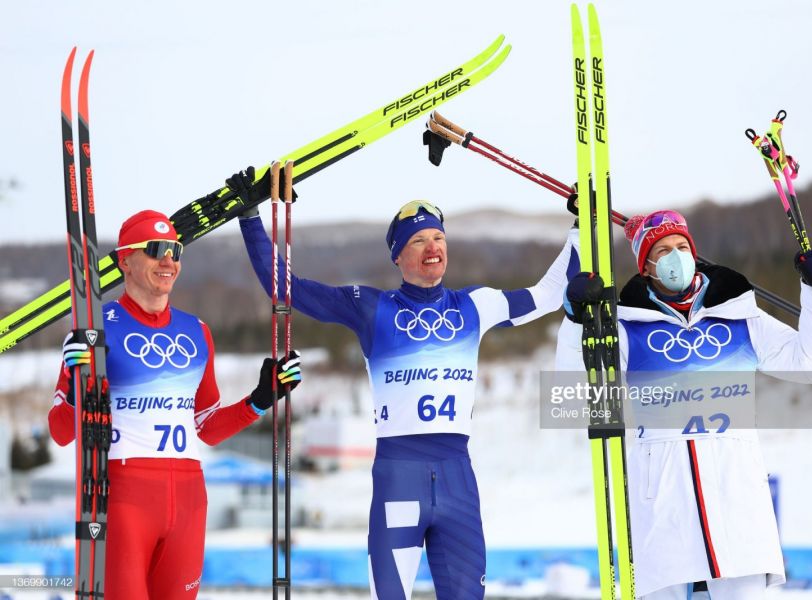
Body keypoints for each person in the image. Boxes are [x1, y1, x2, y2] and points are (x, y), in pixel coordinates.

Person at [230, 167, 574, 599]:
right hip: (399, 476)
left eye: (439, 238)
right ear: (398, 255)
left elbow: (547, 294)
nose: (433, 247)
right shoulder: (370, 307)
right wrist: (249, 218)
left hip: (457, 478)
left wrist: (582, 229)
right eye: (419, 240)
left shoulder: (476, 305)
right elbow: (287, 288)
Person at [560, 209, 812, 599]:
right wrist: (577, 323)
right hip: (664, 502)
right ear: (647, 268)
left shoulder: (740, 317)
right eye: (664, 251)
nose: (676, 257)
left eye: (681, 247)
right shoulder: (627, 328)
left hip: (736, 500)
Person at [48, 209, 300, 600]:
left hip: (188, 498)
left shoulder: (197, 331)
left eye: (176, 251)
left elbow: (207, 426)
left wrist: (259, 399)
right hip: (124, 496)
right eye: (156, 250)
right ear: (124, 261)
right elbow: (60, 431)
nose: (169, 261)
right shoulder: (96, 328)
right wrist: (79, 382)